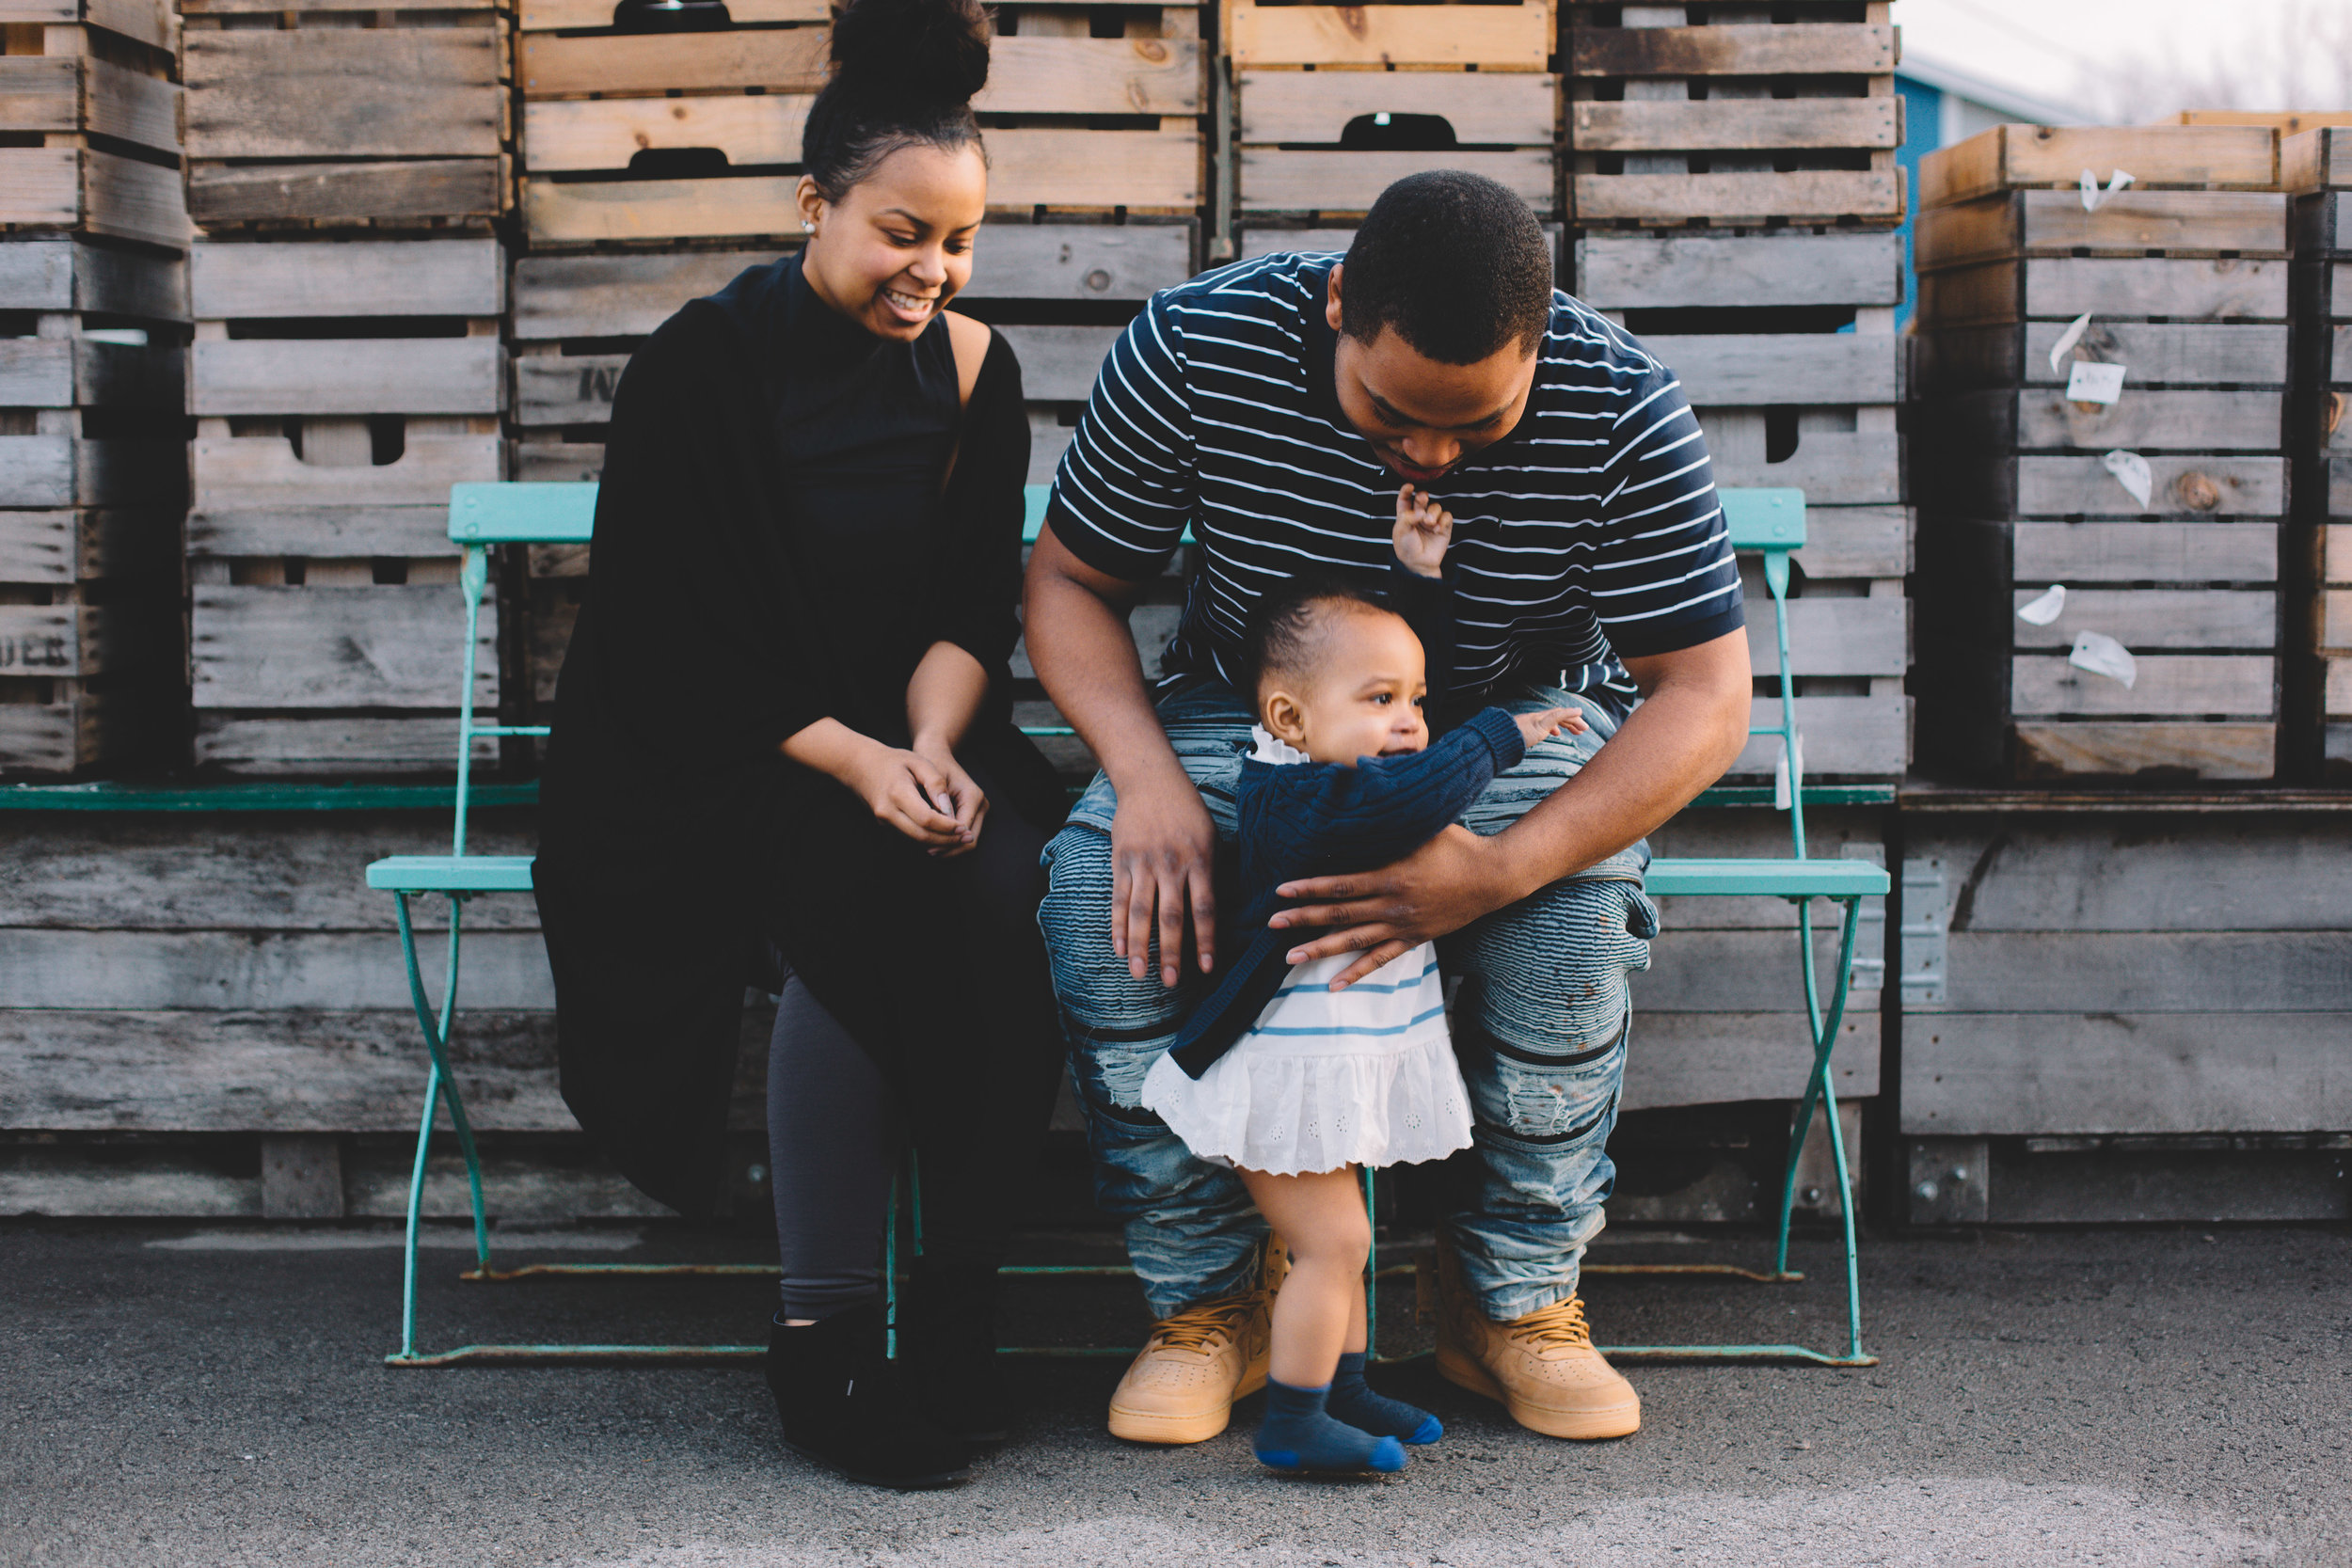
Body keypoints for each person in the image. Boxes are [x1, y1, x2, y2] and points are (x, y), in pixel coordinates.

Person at [1025, 170, 1755, 1448]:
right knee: (1102, 896)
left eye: (1476, 426)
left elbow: (1704, 694)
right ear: (1339, 305)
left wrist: (1507, 865)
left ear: (1540, 345)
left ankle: (1509, 1298)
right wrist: (1144, 777)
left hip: (1523, 720)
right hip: (1254, 719)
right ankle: (1209, 1301)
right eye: (1394, 412)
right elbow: (1073, 579)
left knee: (1570, 937)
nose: (1428, 456)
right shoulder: (1196, 343)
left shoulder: (1621, 400)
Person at [532, 0, 1065, 1492]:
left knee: (1021, 886)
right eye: (903, 231)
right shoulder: (702, 364)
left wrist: (940, 747)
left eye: (960, 243)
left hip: (920, 729)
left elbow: (975, 599)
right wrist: (858, 762)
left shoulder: (975, 370)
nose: (933, 272)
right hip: (717, 748)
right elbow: (664, 633)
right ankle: (824, 1331)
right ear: (813, 205)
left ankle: (961, 1299)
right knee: (865, 888)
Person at [1137, 485, 1587, 1474]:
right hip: (1275, 1076)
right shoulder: (1293, 796)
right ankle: (1294, 1420)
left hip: (1327, 1063)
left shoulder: (1322, 755)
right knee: (1333, 1241)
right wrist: (1497, 734)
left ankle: (1341, 1387)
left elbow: (1379, 696)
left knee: (1346, 1238)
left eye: (1417, 702)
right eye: (1380, 702)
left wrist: (1413, 580)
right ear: (1287, 717)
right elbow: (1400, 792)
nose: (1410, 722)